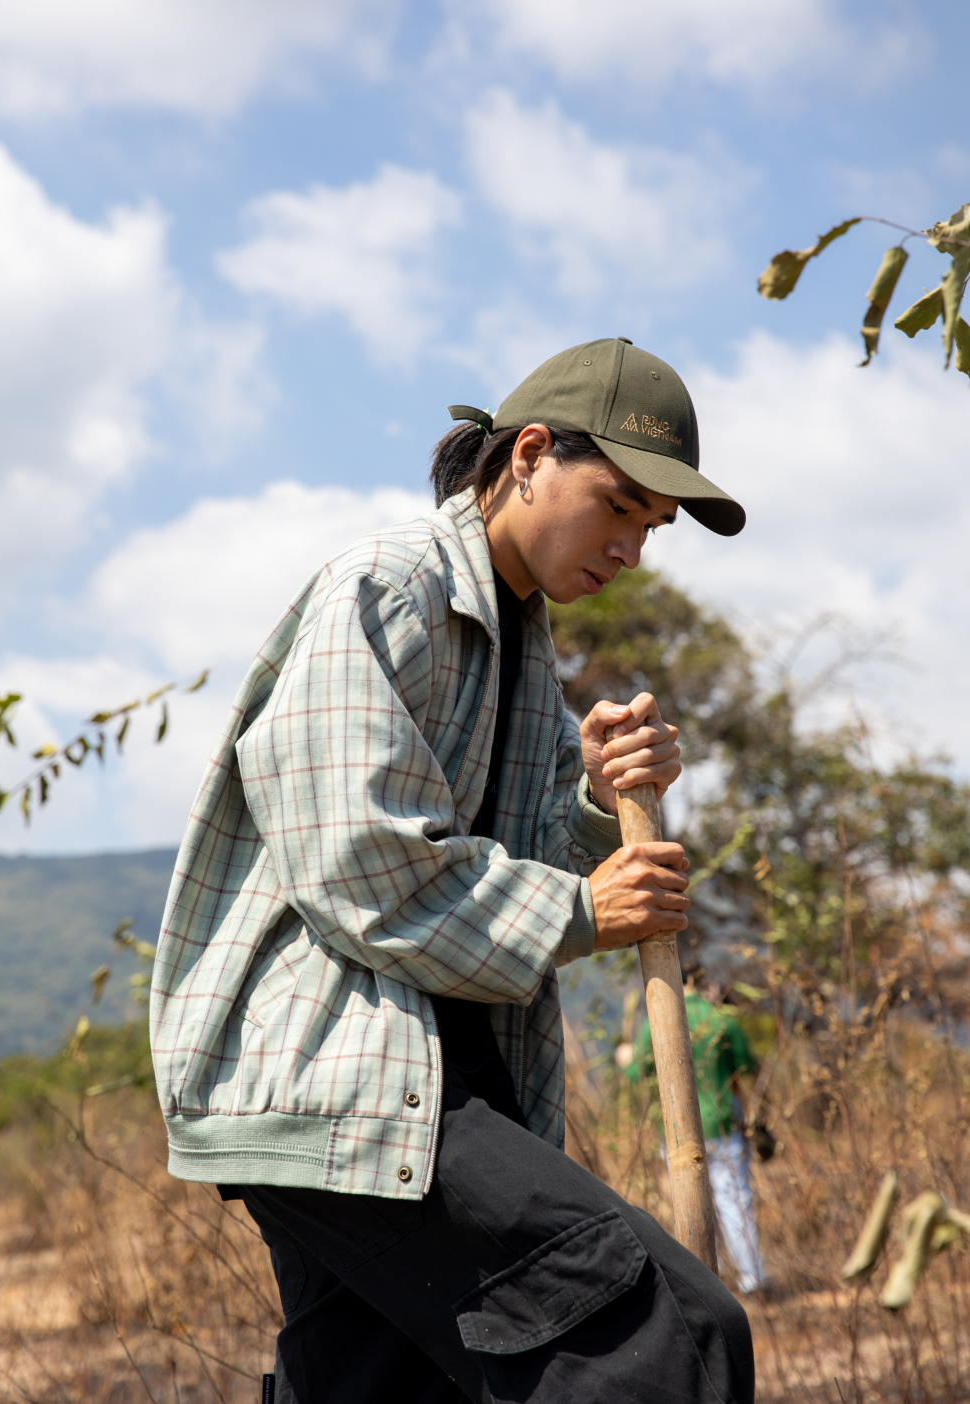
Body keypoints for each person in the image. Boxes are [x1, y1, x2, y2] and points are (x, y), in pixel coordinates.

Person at [151, 337, 753, 1403]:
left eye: (649, 529)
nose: (631, 549)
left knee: (382, 1385)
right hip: (345, 1073)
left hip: (436, 1067)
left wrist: (592, 795)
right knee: (668, 1334)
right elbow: (364, 866)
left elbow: (504, 858)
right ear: (528, 456)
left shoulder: (520, 640)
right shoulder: (388, 588)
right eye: (617, 506)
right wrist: (582, 909)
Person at [619, 978, 769, 1296]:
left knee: (692, 1205)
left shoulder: (655, 1021)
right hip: (723, 1126)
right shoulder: (722, 1020)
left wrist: (625, 1055)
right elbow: (747, 1065)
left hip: (676, 1135)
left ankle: (705, 1284)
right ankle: (752, 1280)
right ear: (704, 984)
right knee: (734, 1202)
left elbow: (635, 1073)